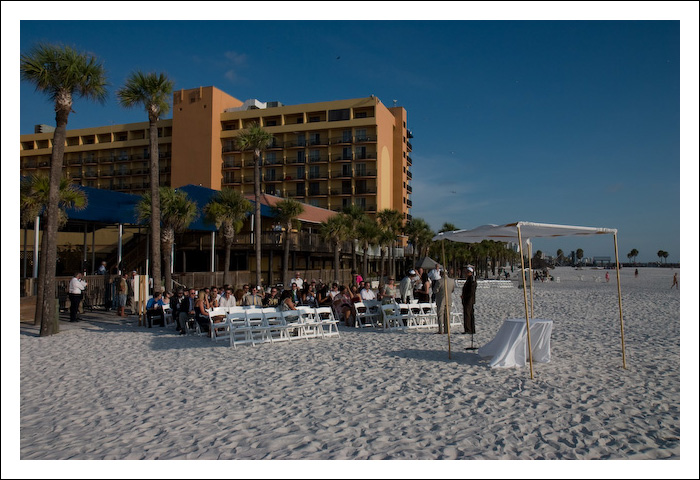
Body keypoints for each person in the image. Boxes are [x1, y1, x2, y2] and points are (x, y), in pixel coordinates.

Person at [433, 268, 455, 334]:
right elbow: (452, 290)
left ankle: (440, 330)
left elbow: (435, 290)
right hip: (449, 299)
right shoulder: (452, 281)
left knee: (440, 314)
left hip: (441, 299)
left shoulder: (439, 281)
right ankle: (447, 329)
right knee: (447, 315)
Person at [461, 266, 477, 335]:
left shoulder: (471, 280)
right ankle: (470, 329)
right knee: (469, 314)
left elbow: (471, 291)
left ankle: (468, 329)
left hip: (468, 300)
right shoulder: (470, 280)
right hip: (469, 299)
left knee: (468, 314)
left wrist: (464, 296)